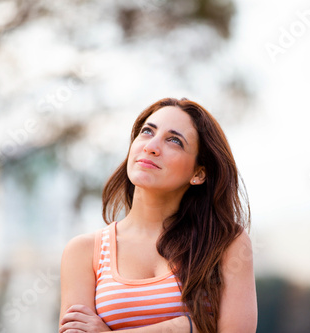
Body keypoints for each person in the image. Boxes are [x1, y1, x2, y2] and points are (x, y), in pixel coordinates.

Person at [59, 97, 257, 333]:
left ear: (199, 173)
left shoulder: (226, 243)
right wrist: (188, 326)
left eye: (174, 140)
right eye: (147, 132)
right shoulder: (84, 251)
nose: (151, 146)